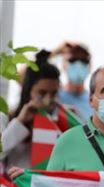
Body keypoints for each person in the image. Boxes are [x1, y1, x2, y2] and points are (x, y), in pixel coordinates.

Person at [0, 50, 62, 179]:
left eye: (54, 93)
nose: (47, 99)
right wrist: (20, 122)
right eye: (42, 93)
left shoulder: (64, 118)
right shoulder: (7, 118)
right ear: (28, 90)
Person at [55, 42, 94, 120]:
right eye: (73, 60)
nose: (78, 64)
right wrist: (55, 52)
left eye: (84, 60)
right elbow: (26, 77)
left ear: (90, 66)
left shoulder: (95, 102)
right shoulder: (54, 97)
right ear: (63, 64)